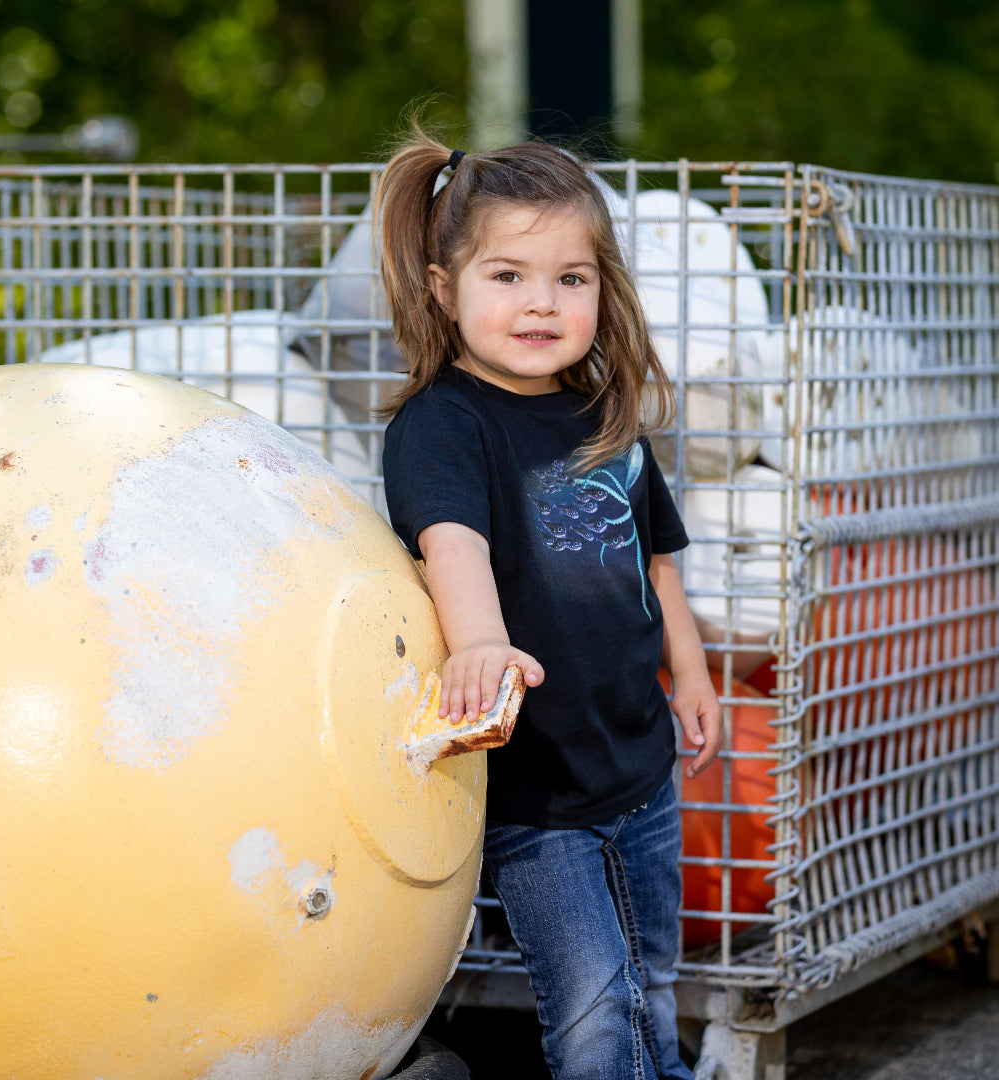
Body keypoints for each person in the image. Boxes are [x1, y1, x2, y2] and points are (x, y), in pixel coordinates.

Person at [376, 126, 723, 1080]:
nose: (542, 301)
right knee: (590, 1006)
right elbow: (454, 543)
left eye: (572, 278)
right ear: (446, 290)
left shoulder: (604, 412)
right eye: (508, 275)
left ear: (602, 291)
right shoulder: (443, 425)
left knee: (652, 977)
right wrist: (480, 641)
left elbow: (657, 561)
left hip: (639, 762)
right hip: (538, 791)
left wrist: (689, 674)